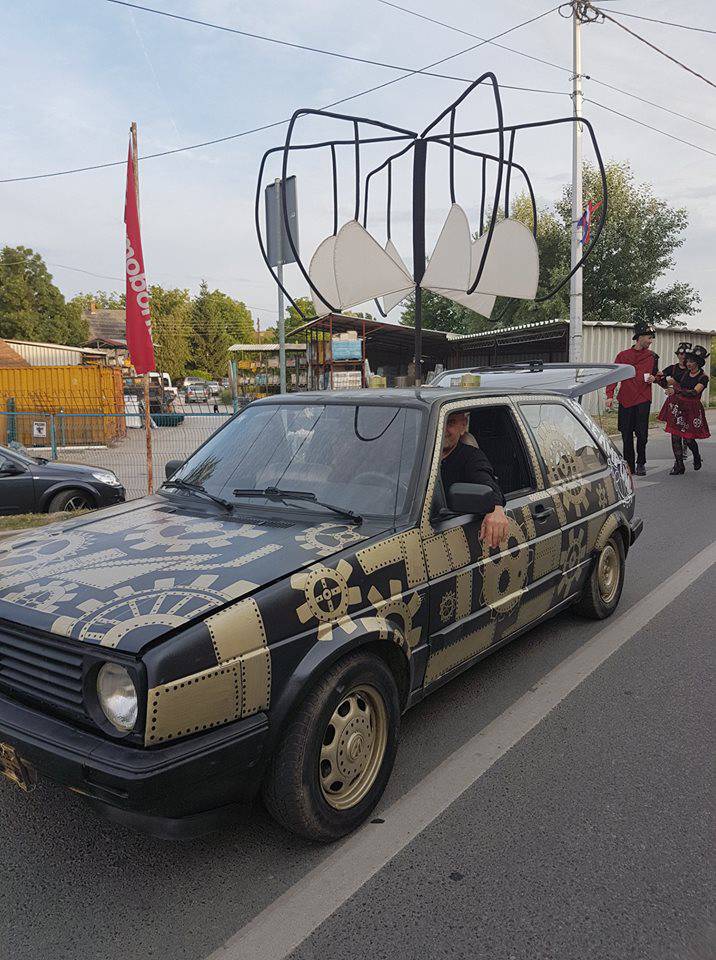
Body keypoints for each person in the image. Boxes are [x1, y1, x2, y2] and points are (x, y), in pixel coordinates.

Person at [440, 411, 509, 548]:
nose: (442, 429)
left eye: (450, 422)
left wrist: (495, 508)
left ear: (463, 426)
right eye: (439, 422)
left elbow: (486, 482)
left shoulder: (471, 457)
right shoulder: (415, 455)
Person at [605, 322, 659, 475]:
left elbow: (658, 375)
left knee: (642, 435)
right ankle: (629, 464)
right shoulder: (623, 355)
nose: (650, 341)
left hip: (643, 399)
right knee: (626, 434)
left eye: (651, 338)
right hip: (626, 400)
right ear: (640, 337)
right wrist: (609, 395)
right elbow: (613, 376)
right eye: (649, 337)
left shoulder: (653, 357)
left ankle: (641, 462)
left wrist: (654, 378)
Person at [657, 345, 710, 475]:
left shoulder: (703, 377)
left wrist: (676, 390)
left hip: (692, 408)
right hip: (678, 407)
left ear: (698, 363)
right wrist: (660, 379)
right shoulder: (684, 373)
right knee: (675, 435)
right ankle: (679, 465)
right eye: (688, 361)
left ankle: (696, 456)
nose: (688, 364)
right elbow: (669, 383)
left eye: (691, 362)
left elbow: (694, 392)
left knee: (688, 439)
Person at [655, 342, 691, 461]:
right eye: (680, 353)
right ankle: (679, 458)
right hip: (674, 402)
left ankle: (687, 448)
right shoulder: (673, 368)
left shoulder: (692, 369)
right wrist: (661, 380)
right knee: (675, 429)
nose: (682, 356)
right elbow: (661, 379)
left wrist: (673, 384)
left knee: (687, 427)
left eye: (685, 354)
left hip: (689, 401)